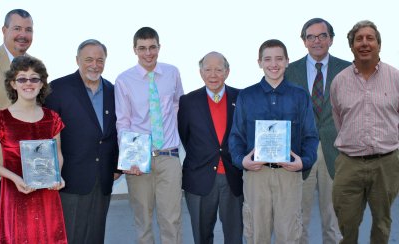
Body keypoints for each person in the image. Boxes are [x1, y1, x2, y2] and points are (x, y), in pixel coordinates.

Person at [229, 39, 318, 244]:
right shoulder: (246, 96)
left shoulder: (300, 95)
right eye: (267, 59)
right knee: (256, 234)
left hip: (289, 174)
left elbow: (311, 136)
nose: (274, 64)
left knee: (289, 235)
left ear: (287, 61)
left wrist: (303, 162)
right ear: (259, 62)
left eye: (279, 58)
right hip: (256, 174)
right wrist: (242, 161)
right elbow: (236, 136)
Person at [330, 20, 399, 244]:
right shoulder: (339, 81)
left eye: (370, 38)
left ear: (379, 44)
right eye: (359, 39)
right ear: (351, 46)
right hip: (349, 163)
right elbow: (339, 119)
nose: (364, 43)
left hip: (386, 162)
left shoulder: (395, 77)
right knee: (346, 224)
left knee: (382, 222)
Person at [45, 39, 119, 244]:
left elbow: (117, 131)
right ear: (77, 60)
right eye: (88, 59)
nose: (94, 65)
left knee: (96, 236)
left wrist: (117, 167)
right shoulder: (57, 89)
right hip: (70, 178)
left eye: (99, 60)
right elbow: (46, 134)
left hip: (103, 178)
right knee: (70, 236)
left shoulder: (114, 91)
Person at [115, 26, 184, 244]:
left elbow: (178, 105)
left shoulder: (172, 73)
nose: (148, 53)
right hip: (139, 159)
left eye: (152, 47)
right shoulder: (124, 80)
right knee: (143, 220)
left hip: (169, 155)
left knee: (171, 219)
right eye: (142, 48)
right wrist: (128, 158)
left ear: (159, 47)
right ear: (134, 50)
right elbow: (123, 121)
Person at [284, 18, 351, 244]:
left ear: (331, 39)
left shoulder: (348, 69)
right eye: (311, 37)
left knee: (334, 221)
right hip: (301, 153)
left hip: (337, 153)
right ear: (304, 41)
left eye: (322, 36)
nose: (317, 41)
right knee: (297, 218)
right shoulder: (289, 71)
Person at [0, 56, 67, 243]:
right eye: (22, 78)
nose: (28, 83)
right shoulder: (2, 118)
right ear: (13, 83)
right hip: (16, 192)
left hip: (47, 194)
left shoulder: (52, 118)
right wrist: (15, 178)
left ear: (41, 83)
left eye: (34, 78)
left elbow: (58, 154)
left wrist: (57, 175)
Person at [178, 52, 243, 244]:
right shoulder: (188, 102)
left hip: (233, 178)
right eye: (207, 69)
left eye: (218, 69)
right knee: (202, 235)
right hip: (199, 178)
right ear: (200, 72)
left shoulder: (241, 98)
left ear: (227, 72)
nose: (213, 74)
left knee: (235, 235)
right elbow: (186, 136)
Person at [0, 8, 34, 196]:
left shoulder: (37, 65)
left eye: (28, 30)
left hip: (29, 169)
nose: (23, 35)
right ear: (4, 30)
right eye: (17, 28)